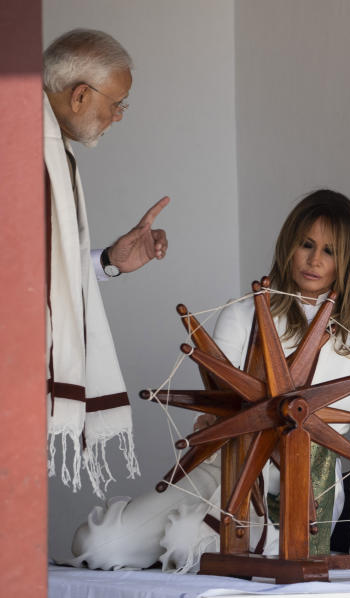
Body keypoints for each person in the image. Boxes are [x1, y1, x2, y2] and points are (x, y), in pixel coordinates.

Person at [70, 189, 350, 571]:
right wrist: (208, 423)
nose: (314, 260)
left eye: (329, 251)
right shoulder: (241, 315)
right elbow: (216, 409)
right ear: (289, 244)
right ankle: (219, 536)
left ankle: (252, 540)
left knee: (185, 539)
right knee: (98, 545)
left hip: (306, 484)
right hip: (226, 465)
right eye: (306, 244)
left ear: (349, 259)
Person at [43, 28, 169, 497]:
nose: (118, 116)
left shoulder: (54, 154)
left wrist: (109, 262)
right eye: (117, 103)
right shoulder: (18, 149)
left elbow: (46, 272)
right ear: (80, 95)